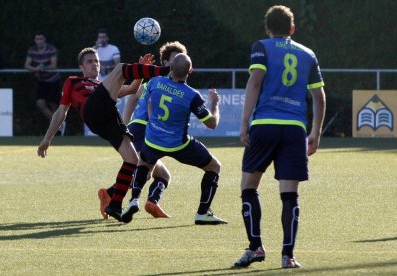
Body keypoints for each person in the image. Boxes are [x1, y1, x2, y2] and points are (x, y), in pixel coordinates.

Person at [234, 5, 326, 269]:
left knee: (249, 188)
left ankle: (255, 248)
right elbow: (319, 96)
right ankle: (288, 256)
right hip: (295, 128)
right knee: (290, 195)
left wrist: (244, 123)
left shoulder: (261, 46)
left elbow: (255, 81)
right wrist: (316, 133)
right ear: (292, 29)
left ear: (267, 28)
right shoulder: (308, 54)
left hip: (264, 125)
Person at [37, 47, 171, 222]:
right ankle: (167, 70)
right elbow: (61, 111)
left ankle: (114, 204)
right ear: (82, 67)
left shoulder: (104, 86)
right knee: (121, 67)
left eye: (97, 61)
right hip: (92, 110)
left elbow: (131, 89)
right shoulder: (74, 81)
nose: (94, 64)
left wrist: (140, 70)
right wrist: (47, 139)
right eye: (89, 61)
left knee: (132, 160)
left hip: (108, 120)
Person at [119, 53, 228, 225]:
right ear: (190, 71)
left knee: (144, 165)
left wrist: (154, 126)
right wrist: (214, 104)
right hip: (179, 144)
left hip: (153, 138)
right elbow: (212, 124)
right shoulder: (192, 95)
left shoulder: (155, 82)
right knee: (214, 166)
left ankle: (133, 201)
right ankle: (202, 213)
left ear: (170, 68)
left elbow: (148, 104)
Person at [98, 41, 188, 219]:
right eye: (174, 59)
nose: (179, 62)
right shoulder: (157, 82)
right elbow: (133, 97)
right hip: (143, 129)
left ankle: (151, 201)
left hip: (149, 131)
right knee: (144, 172)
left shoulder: (171, 85)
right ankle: (112, 194)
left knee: (162, 174)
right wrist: (125, 125)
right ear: (164, 63)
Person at [24, 32, 61, 123]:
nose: (39, 41)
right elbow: (26, 65)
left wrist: (43, 68)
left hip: (53, 80)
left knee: (53, 104)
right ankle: (58, 124)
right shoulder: (32, 50)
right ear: (35, 40)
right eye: (37, 39)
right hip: (42, 80)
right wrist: (36, 69)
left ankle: (58, 128)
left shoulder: (51, 49)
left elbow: (53, 65)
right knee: (40, 104)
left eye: (41, 39)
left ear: (44, 40)